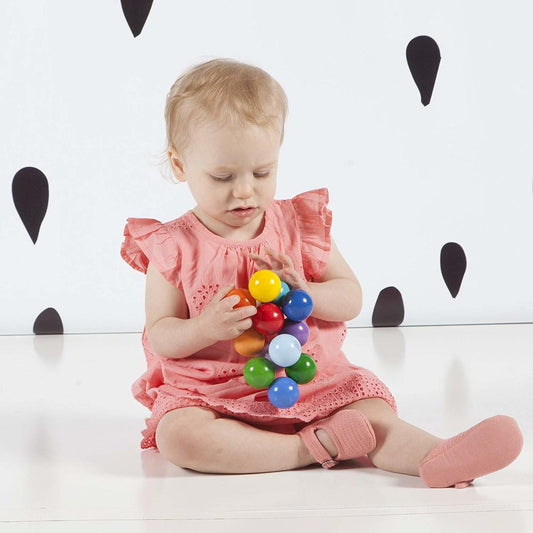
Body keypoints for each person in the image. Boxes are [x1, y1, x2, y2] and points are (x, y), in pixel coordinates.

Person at [120, 58, 523, 485]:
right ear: (180, 165)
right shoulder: (173, 246)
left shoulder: (297, 225)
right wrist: (204, 327)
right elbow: (161, 335)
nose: (245, 190)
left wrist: (306, 290)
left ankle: (436, 456)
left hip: (313, 381)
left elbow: (350, 298)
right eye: (222, 176)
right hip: (214, 393)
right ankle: (311, 448)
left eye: (262, 172)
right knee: (180, 438)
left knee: (371, 416)